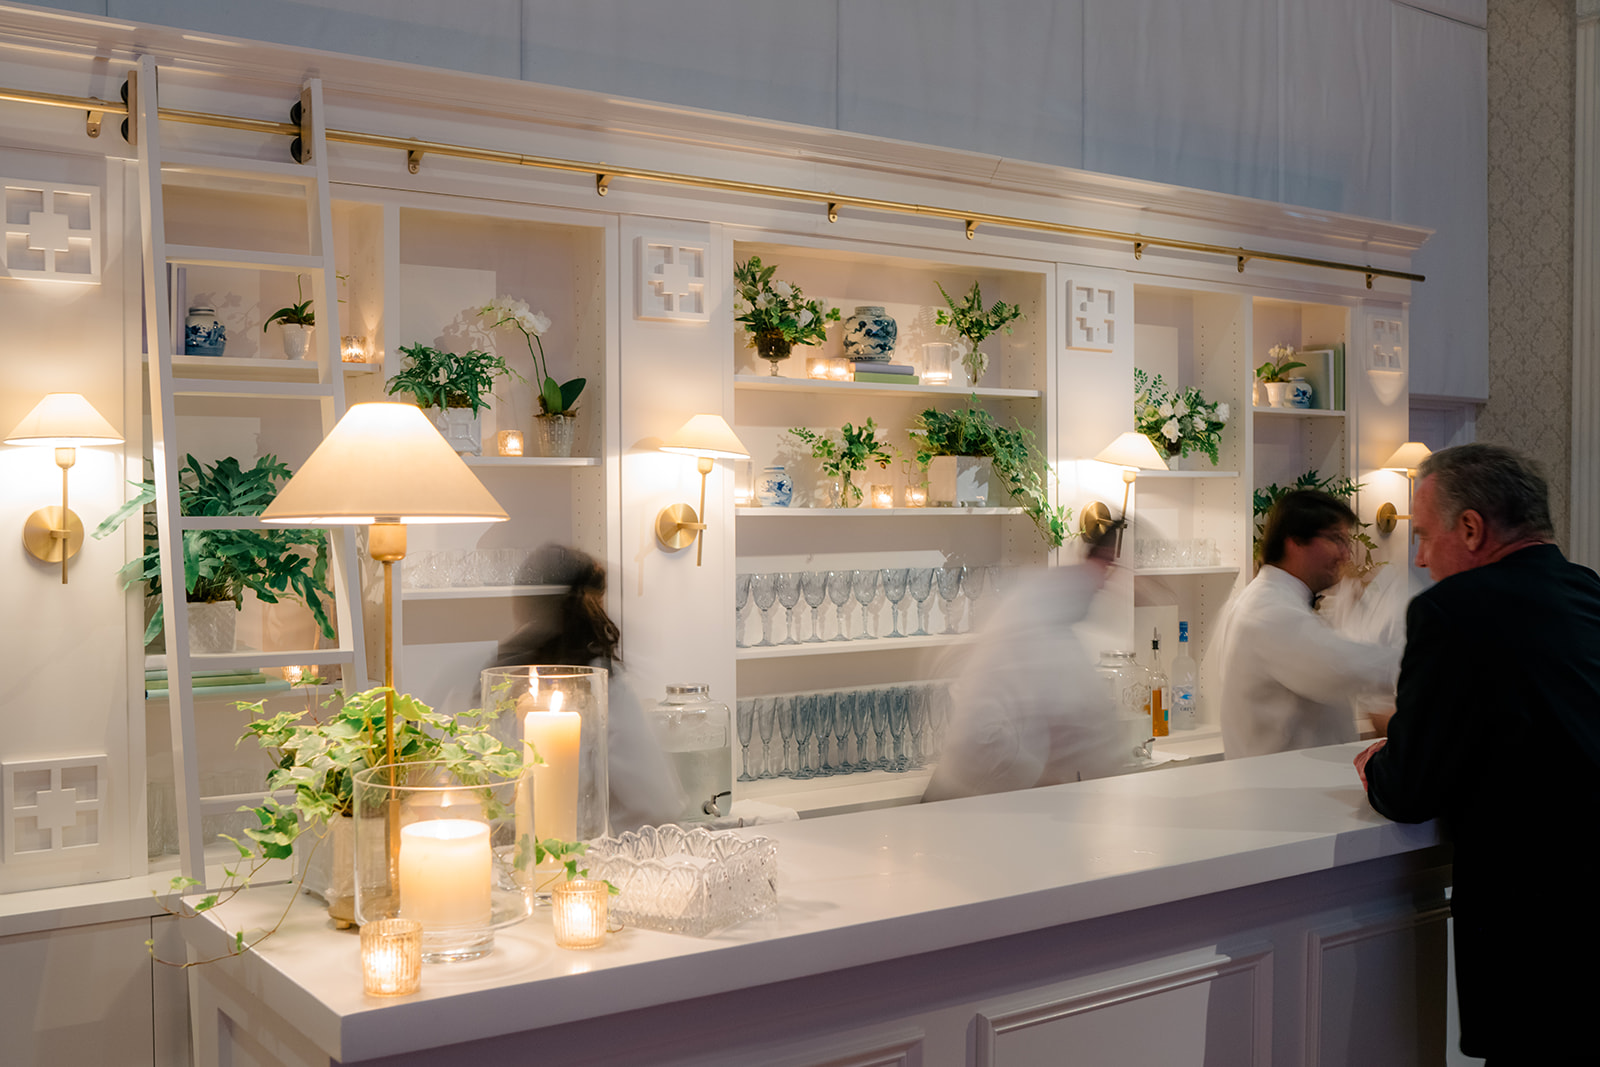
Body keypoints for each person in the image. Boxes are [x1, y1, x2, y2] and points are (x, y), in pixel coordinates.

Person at [1355, 444, 1600, 1062]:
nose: (1420, 558)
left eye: (1425, 536)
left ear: (1471, 529)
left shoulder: (1450, 611)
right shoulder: (1588, 592)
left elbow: (1411, 789)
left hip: (1539, 929)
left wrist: (1375, 763)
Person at [921, 521, 1131, 803]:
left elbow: (1089, 726)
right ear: (1099, 560)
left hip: (993, 799)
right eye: (1109, 568)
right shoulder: (1039, 618)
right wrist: (1043, 776)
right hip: (968, 797)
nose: (1108, 584)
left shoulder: (1049, 614)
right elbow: (985, 732)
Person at [491, 544, 686, 833]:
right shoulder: (603, 686)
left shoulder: (494, 678)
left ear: (521, 604)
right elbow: (657, 803)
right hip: (581, 858)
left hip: (505, 855)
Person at [1211, 490, 1400, 757]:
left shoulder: (1272, 600)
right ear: (1295, 541)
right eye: (1336, 540)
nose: (1346, 555)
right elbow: (1339, 667)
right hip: (1281, 789)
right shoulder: (1268, 610)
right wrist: (1425, 655)